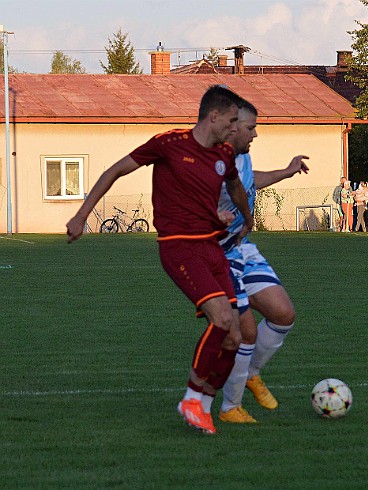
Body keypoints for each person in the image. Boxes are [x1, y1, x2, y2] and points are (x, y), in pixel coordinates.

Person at [66, 85, 254, 434]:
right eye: (231, 120)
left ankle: (203, 407)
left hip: (212, 248)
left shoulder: (225, 154)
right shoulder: (169, 144)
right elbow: (114, 171)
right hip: (179, 247)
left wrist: (246, 217)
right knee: (222, 318)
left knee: (236, 336)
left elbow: (235, 187)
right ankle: (190, 398)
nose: (235, 128)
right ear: (213, 116)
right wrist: (81, 216)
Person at [216, 101, 310, 424]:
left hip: (242, 248)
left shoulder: (241, 155)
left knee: (283, 314)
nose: (256, 133)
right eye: (251, 127)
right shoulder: (211, 159)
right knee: (244, 333)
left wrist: (286, 171)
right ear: (232, 126)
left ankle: (252, 373)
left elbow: (248, 179)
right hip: (217, 253)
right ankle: (230, 408)